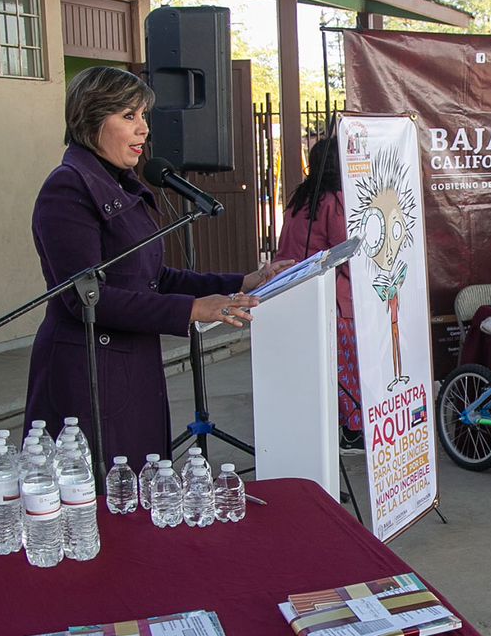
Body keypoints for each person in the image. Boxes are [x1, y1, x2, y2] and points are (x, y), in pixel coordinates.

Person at [24, 67, 290, 465]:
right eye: (129, 116)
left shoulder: (121, 183)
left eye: (143, 116)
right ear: (91, 119)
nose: (143, 129)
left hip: (132, 367)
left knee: (137, 486)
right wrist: (191, 310)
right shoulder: (68, 188)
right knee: (103, 498)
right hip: (88, 374)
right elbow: (86, 300)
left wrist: (244, 281)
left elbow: (155, 279)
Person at [276, 133, 363, 448]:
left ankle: (330, 426)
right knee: (344, 366)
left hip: (293, 292)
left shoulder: (300, 197)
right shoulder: (334, 200)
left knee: (317, 368)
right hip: (332, 299)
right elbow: (346, 254)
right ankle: (352, 428)